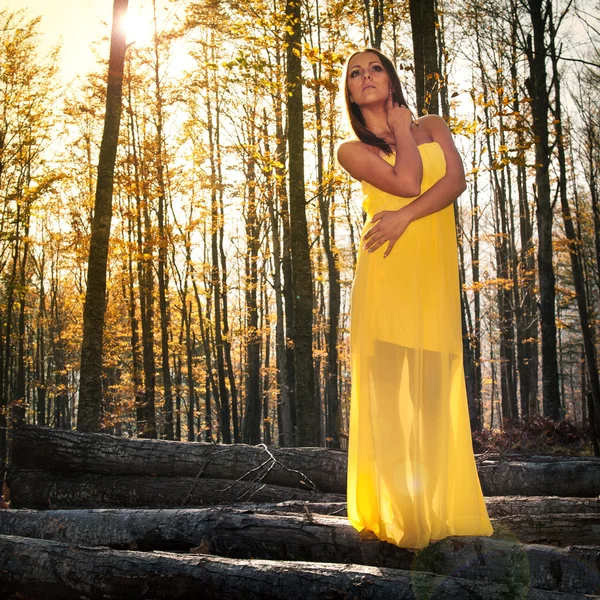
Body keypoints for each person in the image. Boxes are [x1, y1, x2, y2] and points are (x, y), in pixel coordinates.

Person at [338, 48, 494, 550]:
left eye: (375, 67)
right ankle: (397, 524)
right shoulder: (351, 149)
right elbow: (405, 182)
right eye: (355, 73)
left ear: (390, 76)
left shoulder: (433, 123)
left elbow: (455, 182)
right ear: (350, 90)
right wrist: (402, 134)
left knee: (430, 401)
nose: (366, 77)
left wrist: (406, 216)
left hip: (430, 275)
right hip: (385, 274)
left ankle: (436, 516)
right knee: (388, 402)